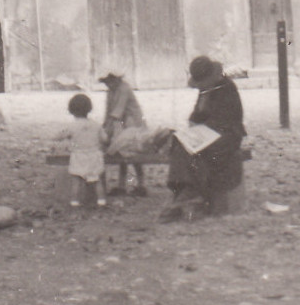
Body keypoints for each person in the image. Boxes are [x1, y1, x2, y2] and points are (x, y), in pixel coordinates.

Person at [161, 56, 247, 221]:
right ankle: (181, 190)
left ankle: (191, 193)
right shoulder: (205, 90)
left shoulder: (227, 89)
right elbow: (197, 114)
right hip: (206, 133)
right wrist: (194, 124)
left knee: (200, 151)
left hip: (227, 135)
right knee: (179, 144)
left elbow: (226, 120)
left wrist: (202, 127)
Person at [56, 93, 108, 208]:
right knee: (97, 180)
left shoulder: (72, 126)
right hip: (94, 155)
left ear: (71, 110)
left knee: (77, 180)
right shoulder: (96, 125)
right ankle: (101, 202)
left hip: (79, 156)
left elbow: (60, 136)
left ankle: (75, 203)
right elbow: (105, 139)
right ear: (89, 109)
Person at [99, 72, 147, 197]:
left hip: (134, 123)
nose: (107, 84)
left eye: (109, 81)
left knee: (134, 154)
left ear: (116, 79)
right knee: (121, 153)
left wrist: (108, 130)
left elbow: (117, 112)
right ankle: (121, 186)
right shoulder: (110, 91)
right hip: (122, 124)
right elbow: (109, 111)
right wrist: (105, 127)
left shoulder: (124, 89)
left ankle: (141, 184)